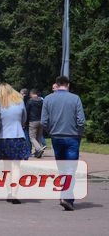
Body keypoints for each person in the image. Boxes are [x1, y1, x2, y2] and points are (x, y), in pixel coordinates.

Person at [41, 75, 85, 211]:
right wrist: (79, 132)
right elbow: (81, 121)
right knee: (71, 169)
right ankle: (67, 197)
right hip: (72, 137)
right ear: (68, 85)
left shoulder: (48, 99)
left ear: (57, 84)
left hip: (56, 137)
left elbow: (43, 121)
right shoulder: (75, 98)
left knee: (62, 168)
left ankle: (64, 195)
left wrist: (51, 131)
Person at [0, 82, 30, 204]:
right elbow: (24, 119)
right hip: (17, 136)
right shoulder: (20, 102)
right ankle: (15, 193)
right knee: (16, 167)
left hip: (2, 137)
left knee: (6, 167)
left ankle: (9, 191)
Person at [26, 89, 45, 158]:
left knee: (32, 138)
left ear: (32, 94)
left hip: (33, 121)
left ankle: (39, 149)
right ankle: (38, 153)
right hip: (41, 121)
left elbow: (27, 112)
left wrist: (26, 121)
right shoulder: (42, 101)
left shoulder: (30, 101)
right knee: (39, 137)